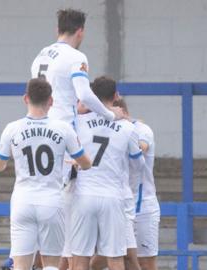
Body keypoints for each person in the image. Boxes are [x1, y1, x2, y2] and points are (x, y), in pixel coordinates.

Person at [0, 78, 92, 270]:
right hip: (52, 201)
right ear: (51, 101)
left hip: (23, 201)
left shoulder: (12, 128)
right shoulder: (63, 128)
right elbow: (86, 163)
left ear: (25, 98)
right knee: (52, 264)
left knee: (20, 265)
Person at [70, 76, 144, 270]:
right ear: (116, 96)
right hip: (113, 196)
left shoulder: (78, 122)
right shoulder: (128, 127)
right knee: (115, 257)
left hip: (84, 194)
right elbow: (139, 165)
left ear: (92, 96)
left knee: (80, 258)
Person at [30, 8, 124, 127]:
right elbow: (84, 95)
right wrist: (110, 114)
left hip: (38, 124)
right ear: (80, 32)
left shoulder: (41, 54)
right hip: (62, 126)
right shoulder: (76, 57)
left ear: (57, 30)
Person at [117, 98, 160, 270]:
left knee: (145, 262)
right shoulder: (107, 131)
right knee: (115, 257)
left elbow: (141, 147)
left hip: (143, 206)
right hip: (118, 203)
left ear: (123, 112)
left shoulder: (142, 130)